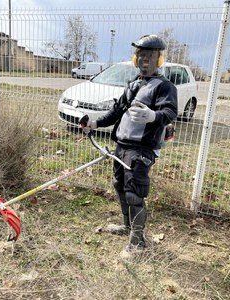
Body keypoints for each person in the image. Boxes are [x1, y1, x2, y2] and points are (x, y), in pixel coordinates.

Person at [83, 34, 178, 260]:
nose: (145, 61)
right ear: (136, 59)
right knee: (119, 185)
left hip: (142, 149)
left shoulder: (164, 87)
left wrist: (152, 115)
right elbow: (117, 111)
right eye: (141, 57)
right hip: (122, 146)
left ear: (159, 60)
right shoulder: (134, 84)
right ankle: (127, 227)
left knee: (134, 194)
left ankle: (137, 242)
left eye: (150, 57)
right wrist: (95, 123)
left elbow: (170, 112)